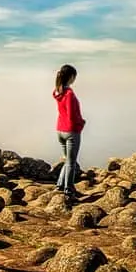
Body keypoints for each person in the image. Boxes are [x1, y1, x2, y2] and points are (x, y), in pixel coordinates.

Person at [53, 63, 85, 199]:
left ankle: (60, 185)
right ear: (71, 76)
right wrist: (81, 123)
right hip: (71, 131)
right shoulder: (69, 94)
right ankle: (69, 190)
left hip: (60, 130)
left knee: (68, 160)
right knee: (71, 162)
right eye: (74, 76)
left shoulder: (58, 91)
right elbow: (72, 116)